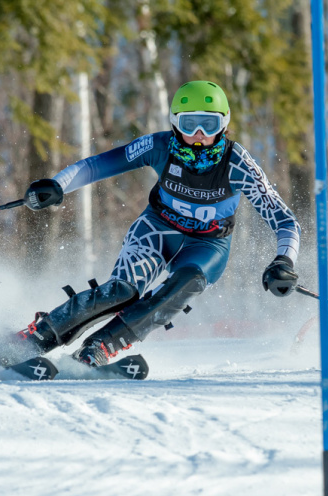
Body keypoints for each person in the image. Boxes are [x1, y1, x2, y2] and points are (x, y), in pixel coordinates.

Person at [15, 80, 301, 367]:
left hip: (208, 244)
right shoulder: (160, 146)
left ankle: (99, 348)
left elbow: (284, 220)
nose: (199, 135)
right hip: (158, 229)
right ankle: (38, 336)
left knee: (182, 285)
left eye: (209, 125)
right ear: (175, 123)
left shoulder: (238, 165)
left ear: (224, 125)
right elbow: (95, 165)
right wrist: (57, 185)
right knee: (123, 292)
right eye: (189, 125)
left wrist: (284, 261)